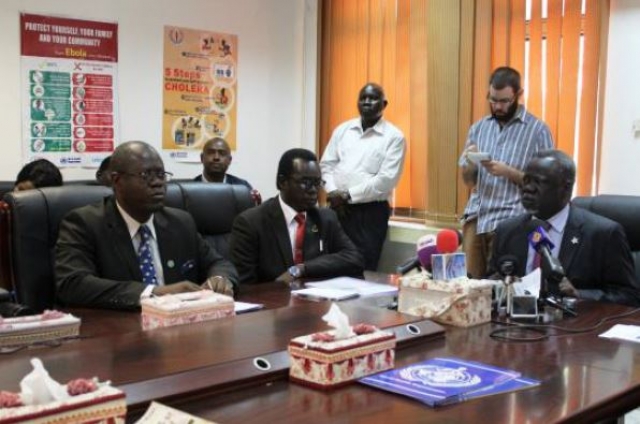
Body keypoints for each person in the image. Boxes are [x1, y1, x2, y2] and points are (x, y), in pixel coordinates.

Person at [55, 141, 238, 310]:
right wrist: (154, 293)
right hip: (119, 334)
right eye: (146, 175)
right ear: (117, 180)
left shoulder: (180, 222)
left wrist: (221, 279)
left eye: (161, 175)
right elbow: (72, 283)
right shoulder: (84, 223)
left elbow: (219, 262)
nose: (158, 183)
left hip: (179, 330)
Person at [490, 150, 640, 307]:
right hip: (515, 327)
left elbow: (629, 296)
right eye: (526, 181)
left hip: (575, 327)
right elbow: (493, 280)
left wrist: (578, 295)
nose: (528, 188)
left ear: (565, 188)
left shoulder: (603, 234)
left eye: (539, 182)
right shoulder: (507, 230)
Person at [459, 67, 554, 278]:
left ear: (518, 95)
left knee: (502, 291)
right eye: (493, 100)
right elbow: (468, 181)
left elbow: (547, 184)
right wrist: (470, 164)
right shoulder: (478, 128)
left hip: (512, 220)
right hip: (477, 217)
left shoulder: (538, 131)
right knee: (470, 288)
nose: (498, 107)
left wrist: (509, 173)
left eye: (504, 101)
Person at [230, 148, 363, 284]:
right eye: (305, 182)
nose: (313, 190)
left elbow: (353, 258)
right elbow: (245, 286)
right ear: (282, 182)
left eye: (317, 183)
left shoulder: (325, 218)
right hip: (273, 302)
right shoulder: (251, 223)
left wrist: (302, 269)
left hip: (316, 301)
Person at [320, 82, 406, 271]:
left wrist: (348, 195)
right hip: (337, 209)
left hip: (369, 214)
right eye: (363, 98)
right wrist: (334, 192)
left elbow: (386, 180)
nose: (367, 102)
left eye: (373, 98)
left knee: (362, 267)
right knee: (330, 264)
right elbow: (326, 165)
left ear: (384, 104)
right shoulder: (343, 130)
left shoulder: (394, 137)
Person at [195, 137, 261, 204]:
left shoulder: (242, 187)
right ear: (202, 158)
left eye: (222, 153)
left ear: (229, 160)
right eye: (211, 152)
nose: (216, 157)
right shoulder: (189, 189)